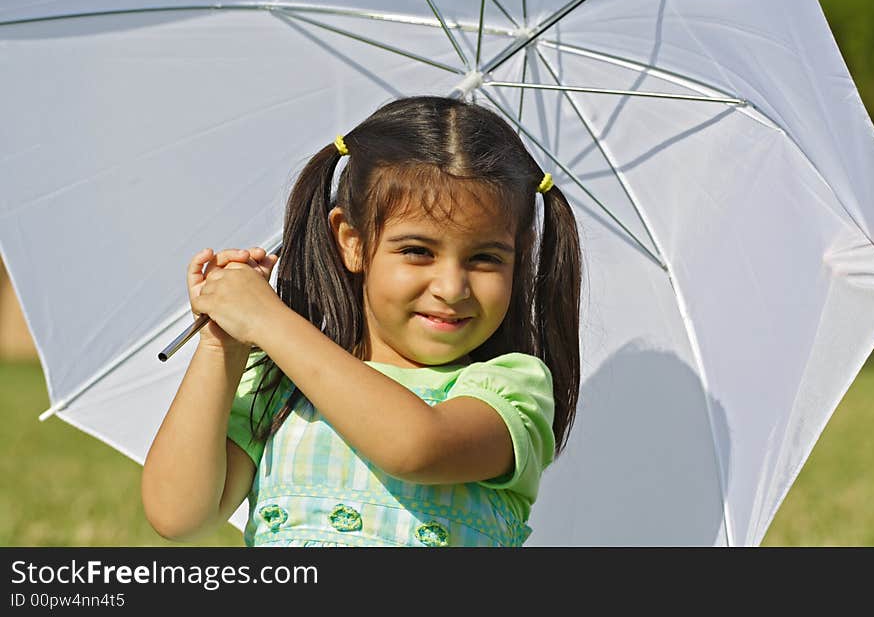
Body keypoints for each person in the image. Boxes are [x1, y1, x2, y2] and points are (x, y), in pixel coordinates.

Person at [141, 96, 583, 547]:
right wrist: (223, 345)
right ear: (352, 242)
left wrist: (267, 319)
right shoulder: (279, 387)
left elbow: (415, 447)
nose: (452, 288)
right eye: (417, 251)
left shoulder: (511, 389)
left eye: (485, 258)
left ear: (520, 256)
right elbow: (179, 515)